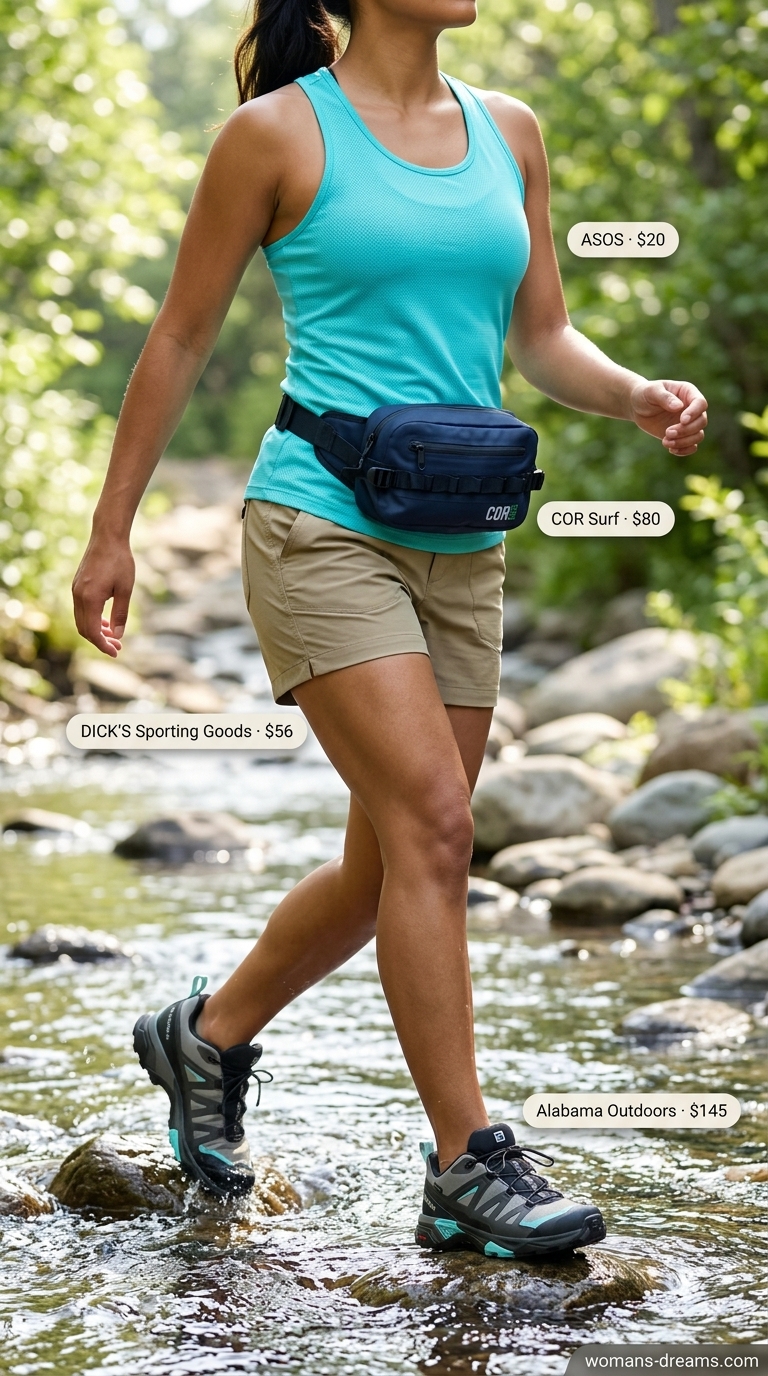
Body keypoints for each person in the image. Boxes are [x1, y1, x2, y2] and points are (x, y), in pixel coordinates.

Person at [72, 0, 707, 1259]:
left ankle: (203, 1036)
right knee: (438, 825)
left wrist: (633, 395)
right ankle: (470, 1159)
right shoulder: (275, 136)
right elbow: (184, 332)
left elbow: (539, 335)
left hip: (465, 537)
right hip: (320, 523)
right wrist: (112, 529)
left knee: (389, 872)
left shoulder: (507, 131)